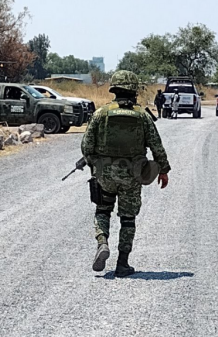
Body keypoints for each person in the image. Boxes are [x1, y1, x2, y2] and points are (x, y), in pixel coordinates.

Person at [81, 70, 171, 278]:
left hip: (105, 175)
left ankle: (102, 243)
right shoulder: (142, 116)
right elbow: (157, 147)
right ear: (133, 91)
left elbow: (86, 146)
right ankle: (122, 264)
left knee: (103, 211)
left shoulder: (100, 114)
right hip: (132, 175)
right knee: (128, 219)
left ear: (114, 89)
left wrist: (94, 163)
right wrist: (163, 170)